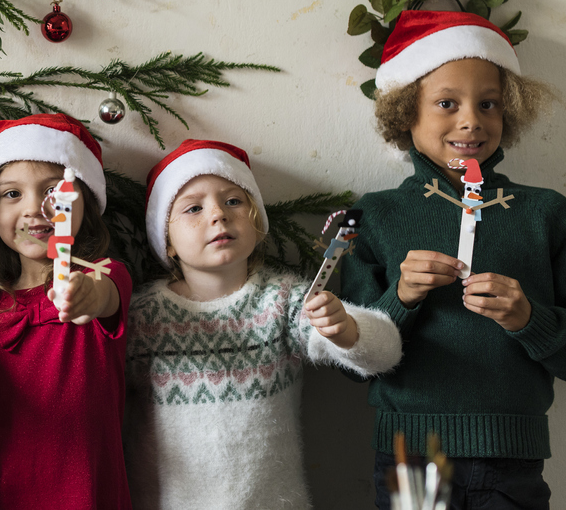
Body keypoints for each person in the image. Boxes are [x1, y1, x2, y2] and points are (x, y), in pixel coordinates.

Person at [338, 9, 563, 510]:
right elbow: (352, 365)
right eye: (446, 103)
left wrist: (529, 320)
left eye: (489, 104)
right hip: (410, 457)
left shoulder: (546, 214)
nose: (471, 121)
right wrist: (400, 299)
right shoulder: (375, 216)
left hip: (514, 458)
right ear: (405, 113)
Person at [125, 139, 401, 510]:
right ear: (166, 240)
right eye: (194, 208)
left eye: (233, 201)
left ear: (256, 223)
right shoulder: (141, 318)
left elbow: (385, 353)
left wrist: (346, 329)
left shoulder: (284, 302)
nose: (218, 214)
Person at [0, 113, 133, 509]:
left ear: (84, 204)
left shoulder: (104, 274)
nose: (34, 209)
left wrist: (86, 295)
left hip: (90, 495)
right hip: (5, 496)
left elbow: (103, 295)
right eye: (12, 194)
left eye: (54, 192)